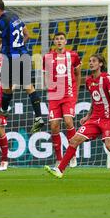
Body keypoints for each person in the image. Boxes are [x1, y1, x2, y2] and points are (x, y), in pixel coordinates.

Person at [45, 54, 110, 180]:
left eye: (94, 61)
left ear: (101, 64)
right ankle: (60, 170)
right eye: (90, 61)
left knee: (109, 145)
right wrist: (88, 115)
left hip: (108, 118)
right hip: (94, 119)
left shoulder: (107, 78)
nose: (91, 63)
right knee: (74, 140)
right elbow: (94, 100)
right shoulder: (88, 80)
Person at [0, 0, 45, 134]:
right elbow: (27, 35)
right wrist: (19, 46)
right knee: (26, 86)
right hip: (23, 54)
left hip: (11, 58)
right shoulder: (14, 15)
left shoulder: (1, 22)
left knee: (7, 86)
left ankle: (4, 110)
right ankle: (38, 117)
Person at [43, 32, 81, 167]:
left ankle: (72, 155)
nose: (59, 41)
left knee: (68, 121)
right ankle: (59, 159)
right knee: (54, 126)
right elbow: (46, 75)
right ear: (54, 42)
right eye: (57, 39)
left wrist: (75, 94)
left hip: (68, 95)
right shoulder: (47, 57)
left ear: (65, 41)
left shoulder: (73, 56)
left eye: (61, 39)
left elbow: (77, 74)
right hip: (54, 96)